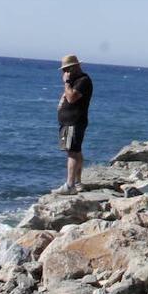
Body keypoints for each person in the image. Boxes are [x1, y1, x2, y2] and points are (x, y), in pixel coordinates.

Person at [55, 54, 93, 194]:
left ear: (75, 67)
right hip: (69, 121)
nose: (65, 72)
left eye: (67, 69)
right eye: (64, 70)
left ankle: (70, 185)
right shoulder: (76, 81)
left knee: (72, 152)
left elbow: (71, 98)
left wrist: (66, 82)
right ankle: (77, 182)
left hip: (73, 121)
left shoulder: (82, 81)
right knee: (76, 150)